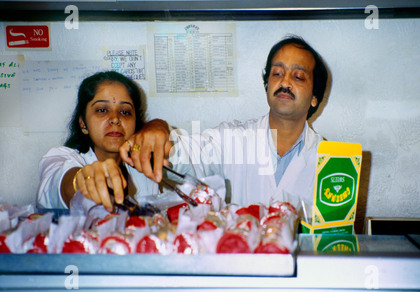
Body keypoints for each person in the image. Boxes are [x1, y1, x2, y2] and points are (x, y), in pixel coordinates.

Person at [120, 35, 328, 206]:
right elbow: (186, 155)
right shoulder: (233, 138)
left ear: (314, 98)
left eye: (298, 76)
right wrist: (157, 128)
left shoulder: (330, 159)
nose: (285, 82)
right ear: (267, 85)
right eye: (277, 73)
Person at [36, 71, 159, 211]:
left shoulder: (143, 171)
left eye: (125, 112)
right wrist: (82, 181)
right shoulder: (60, 157)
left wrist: (160, 125)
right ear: (83, 124)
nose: (115, 119)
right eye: (102, 110)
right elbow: (59, 184)